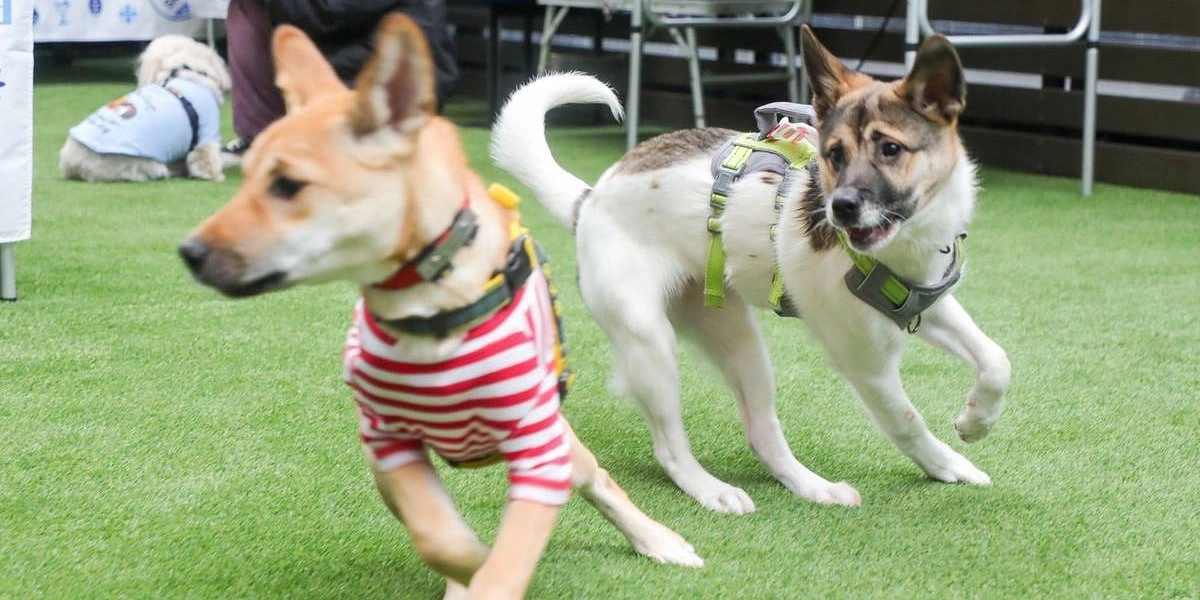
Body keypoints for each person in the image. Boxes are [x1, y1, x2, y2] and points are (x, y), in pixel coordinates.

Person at [222, 0, 459, 162]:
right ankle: (260, 138)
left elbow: (330, 13)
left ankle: (269, 138)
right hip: (355, 56)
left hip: (384, 80)